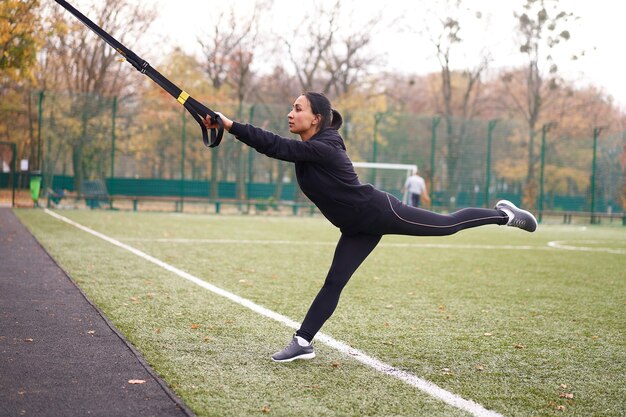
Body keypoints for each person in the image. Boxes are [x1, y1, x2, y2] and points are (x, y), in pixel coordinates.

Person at [203, 92, 537, 363]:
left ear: (315, 118)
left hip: (379, 212)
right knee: (334, 281)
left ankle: (502, 214)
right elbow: (278, 145)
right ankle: (303, 342)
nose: (290, 113)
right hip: (355, 228)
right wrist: (226, 124)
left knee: (447, 225)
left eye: (298, 108)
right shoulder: (310, 149)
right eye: (291, 108)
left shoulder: (324, 146)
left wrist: (230, 124)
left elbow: (274, 145)